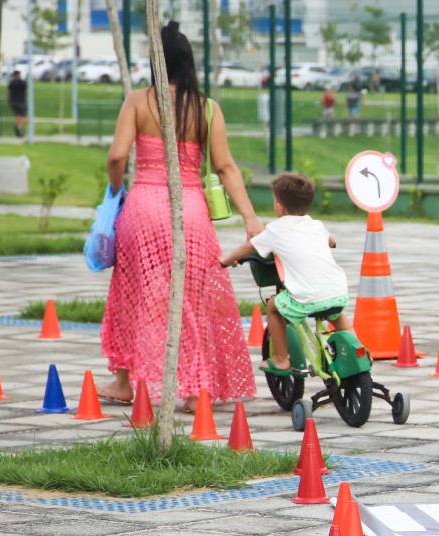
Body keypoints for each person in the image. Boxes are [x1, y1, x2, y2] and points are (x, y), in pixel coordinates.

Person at [98, 21, 258, 411]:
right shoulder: (207, 108)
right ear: (188, 63)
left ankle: (125, 382)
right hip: (190, 208)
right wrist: (251, 219)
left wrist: (117, 192)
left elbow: (117, 156)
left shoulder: (138, 101)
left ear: (155, 61)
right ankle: (194, 389)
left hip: (144, 205)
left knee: (134, 291)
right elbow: (226, 167)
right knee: (194, 295)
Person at [220, 173, 350, 374]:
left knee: (273, 306)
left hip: (306, 297)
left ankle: (280, 359)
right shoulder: (315, 225)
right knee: (337, 315)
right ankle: (356, 348)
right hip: (338, 292)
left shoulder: (275, 229)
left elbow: (249, 248)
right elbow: (331, 241)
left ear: (279, 207)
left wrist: (227, 260)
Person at [8, 71, 27, 137]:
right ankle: (19, 127)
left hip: (13, 101)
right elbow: (25, 92)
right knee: (23, 117)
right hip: (21, 101)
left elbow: (9, 93)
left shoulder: (11, 83)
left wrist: (9, 101)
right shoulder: (23, 83)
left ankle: (17, 127)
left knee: (16, 115)